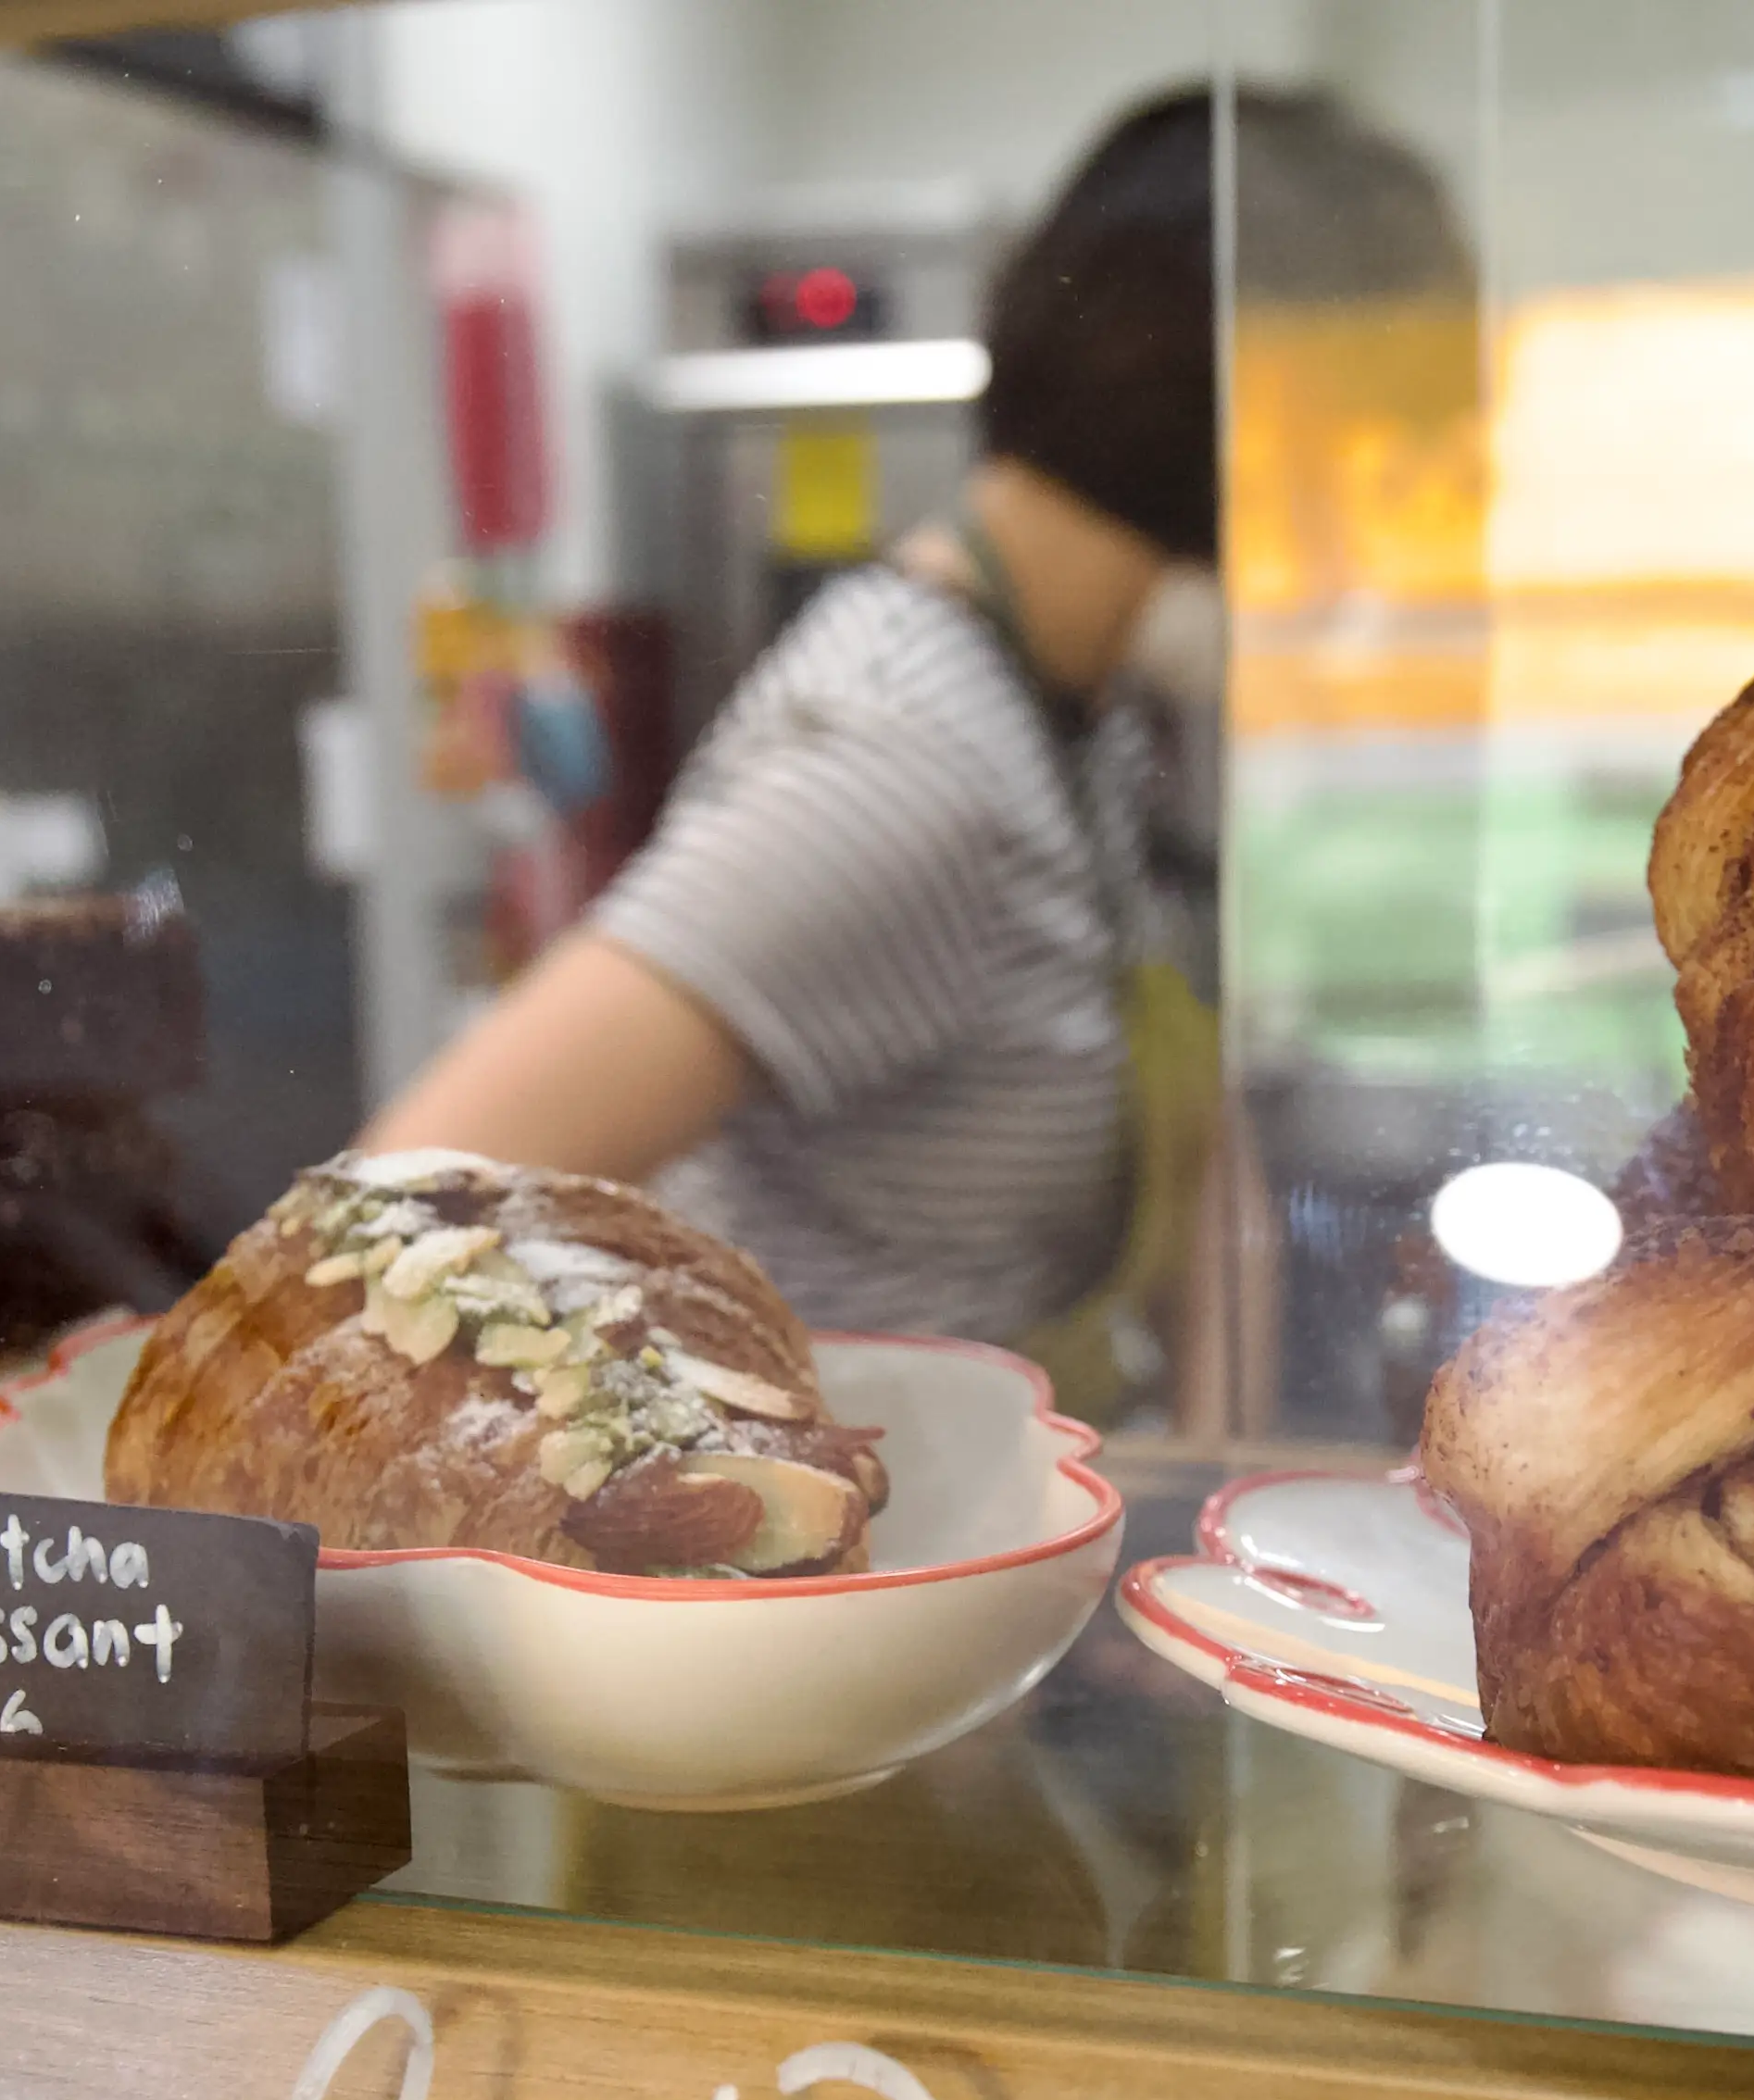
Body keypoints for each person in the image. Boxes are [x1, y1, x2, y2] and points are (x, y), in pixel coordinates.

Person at [357, 86, 1465, 1350]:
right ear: (1258, 421)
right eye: (1376, 465)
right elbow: (397, 1215)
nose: (1368, 551)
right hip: (859, 1473)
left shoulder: (1076, 716)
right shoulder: (909, 764)